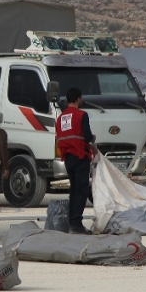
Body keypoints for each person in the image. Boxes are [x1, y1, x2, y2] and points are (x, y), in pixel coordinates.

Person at [56, 87, 95, 234]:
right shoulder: (81, 115)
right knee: (81, 190)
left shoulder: (61, 118)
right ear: (78, 99)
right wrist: (93, 139)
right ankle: (76, 224)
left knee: (74, 189)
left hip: (67, 158)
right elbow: (87, 136)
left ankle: (72, 222)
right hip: (80, 156)